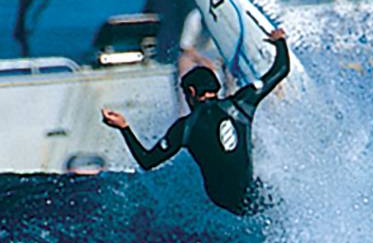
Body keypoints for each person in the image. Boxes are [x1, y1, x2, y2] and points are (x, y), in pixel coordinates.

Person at [101, 26, 290, 215]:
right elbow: (281, 68)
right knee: (276, 187)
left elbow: (147, 161)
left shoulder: (185, 127)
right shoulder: (241, 103)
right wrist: (279, 41)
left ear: (191, 92)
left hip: (223, 202)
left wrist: (123, 127)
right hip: (252, 196)